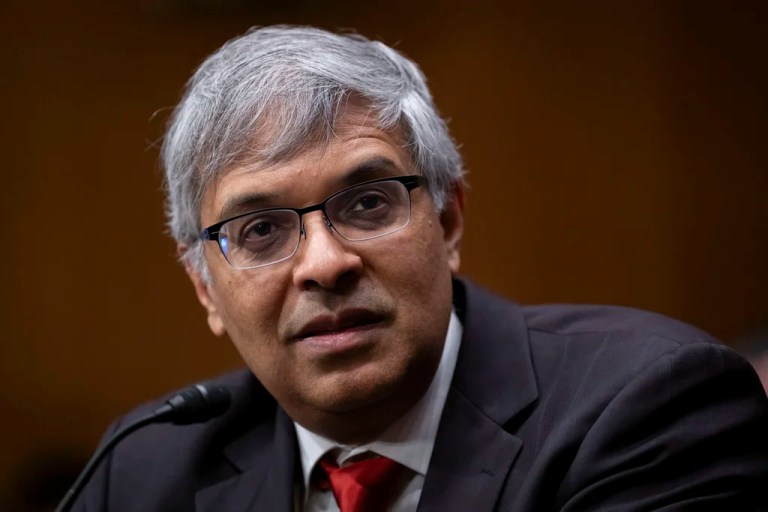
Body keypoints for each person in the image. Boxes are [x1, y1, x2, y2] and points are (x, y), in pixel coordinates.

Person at [76, 25, 768, 511]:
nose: (325, 263)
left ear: (448, 221)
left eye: (368, 203)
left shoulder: (647, 410)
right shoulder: (142, 472)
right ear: (204, 285)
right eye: (260, 230)